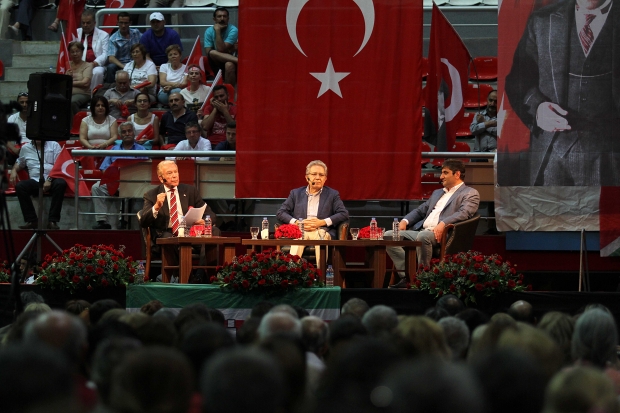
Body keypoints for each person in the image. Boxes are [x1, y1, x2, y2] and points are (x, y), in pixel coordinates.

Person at [504, 0, 620, 186]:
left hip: (611, 161)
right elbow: (518, 80)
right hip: (548, 158)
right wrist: (538, 109)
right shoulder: (542, 20)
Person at [386, 159, 480, 288]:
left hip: (445, 234)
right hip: (422, 230)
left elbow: (464, 213)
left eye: (445, 173)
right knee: (389, 235)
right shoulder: (437, 193)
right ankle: (408, 276)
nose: (441, 177)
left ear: (457, 174)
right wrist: (405, 221)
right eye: (442, 173)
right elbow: (420, 210)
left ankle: (423, 278)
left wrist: (443, 223)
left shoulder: (470, 193)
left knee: (423, 236)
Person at [276, 160, 349, 260]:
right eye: (314, 174)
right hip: (301, 230)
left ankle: (321, 269)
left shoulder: (332, 194)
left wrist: (322, 222)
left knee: (321, 239)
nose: (318, 178)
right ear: (307, 177)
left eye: (321, 175)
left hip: (321, 230)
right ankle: (292, 269)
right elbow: (281, 213)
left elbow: (343, 213)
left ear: (325, 179)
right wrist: (297, 223)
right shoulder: (296, 194)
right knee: (298, 239)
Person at [139, 160, 212, 260]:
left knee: (214, 231)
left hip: (190, 233)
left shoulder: (190, 191)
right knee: (168, 238)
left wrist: (203, 221)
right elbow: (143, 222)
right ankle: (180, 270)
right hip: (166, 234)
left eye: (175, 172)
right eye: (169, 173)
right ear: (161, 178)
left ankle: (203, 270)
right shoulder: (151, 195)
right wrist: (156, 206)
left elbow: (209, 213)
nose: (174, 176)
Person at [91, 122, 147, 230]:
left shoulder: (141, 150)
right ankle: (102, 221)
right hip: (114, 181)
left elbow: (145, 170)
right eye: (124, 132)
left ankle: (123, 221)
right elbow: (104, 169)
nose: (127, 134)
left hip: (133, 182)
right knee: (96, 187)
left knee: (125, 188)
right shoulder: (114, 149)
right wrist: (113, 180)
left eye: (129, 131)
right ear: (120, 135)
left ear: (133, 133)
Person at [9, 140, 66, 230]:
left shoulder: (54, 145)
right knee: (20, 186)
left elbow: (59, 165)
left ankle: (52, 221)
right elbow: (20, 162)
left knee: (61, 183)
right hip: (35, 181)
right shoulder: (25, 148)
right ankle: (32, 221)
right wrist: (14, 170)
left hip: (52, 179)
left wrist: (49, 179)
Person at [203, 7, 238, 87]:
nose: (222, 19)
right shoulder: (209, 31)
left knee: (229, 65)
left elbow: (220, 49)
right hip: (216, 62)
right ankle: (240, 61)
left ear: (228, 18)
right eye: (219, 16)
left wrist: (217, 31)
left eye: (224, 16)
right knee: (212, 52)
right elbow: (208, 52)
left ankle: (229, 92)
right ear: (214, 19)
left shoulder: (233, 30)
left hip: (232, 61)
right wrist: (229, 49)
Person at [77, 9, 109, 91]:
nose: (85, 25)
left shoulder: (104, 35)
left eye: (88, 23)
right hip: (78, 64)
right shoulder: (76, 33)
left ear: (94, 23)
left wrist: (93, 64)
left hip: (95, 65)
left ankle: (93, 94)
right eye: (83, 23)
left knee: (98, 72)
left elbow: (105, 54)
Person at [106, 12, 142, 83]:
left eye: (126, 23)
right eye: (121, 23)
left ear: (130, 23)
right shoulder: (113, 39)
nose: (123, 25)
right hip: (121, 64)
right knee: (111, 67)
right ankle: (111, 86)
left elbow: (145, 42)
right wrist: (125, 67)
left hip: (136, 61)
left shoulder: (136, 32)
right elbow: (111, 58)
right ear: (117, 23)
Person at [67, 41, 93, 118]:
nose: (75, 54)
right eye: (72, 52)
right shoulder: (66, 64)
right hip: (67, 92)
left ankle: (79, 121)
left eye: (77, 51)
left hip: (83, 94)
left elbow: (85, 83)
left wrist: (69, 82)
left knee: (71, 101)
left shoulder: (88, 65)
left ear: (82, 52)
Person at [470, 89, 497, 154]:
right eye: (490, 100)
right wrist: (489, 124)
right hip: (478, 153)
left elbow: (500, 133)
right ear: (487, 100)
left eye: (496, 101)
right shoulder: (479, 114)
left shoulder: (503, 117)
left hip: (495, 154)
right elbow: (473, 130)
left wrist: (483, 122)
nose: (492, 104)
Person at [6, 92, 31, 165]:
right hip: (18, 149)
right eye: (21, 102)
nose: (24, 105)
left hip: (33, 149)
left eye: (27, 102)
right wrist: (14, 149)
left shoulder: (36, 119)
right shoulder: (12, 118)